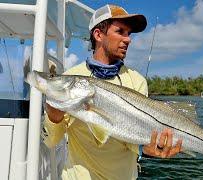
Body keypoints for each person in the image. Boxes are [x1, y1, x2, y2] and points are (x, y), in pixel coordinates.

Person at [43, 4, 182, 180]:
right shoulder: (72, 78)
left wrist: (146, 148)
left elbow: (132, 137)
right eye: (120, 31)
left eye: (129, 34)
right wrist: (53, 117)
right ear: (98, 35)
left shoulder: (137, 80)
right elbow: (53, 140)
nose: (128, 39)